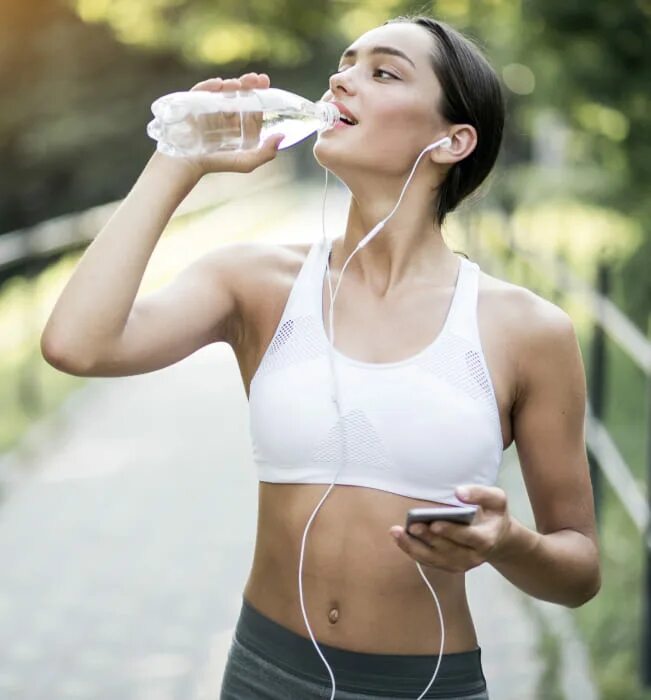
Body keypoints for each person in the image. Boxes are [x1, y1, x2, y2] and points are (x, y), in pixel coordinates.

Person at [40, 13, 601, 700]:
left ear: (452, 140)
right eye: (345, 62)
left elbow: (577, 572)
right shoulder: (255, 282)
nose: (341, 79)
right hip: (262, 676)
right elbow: (76, 344)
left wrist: (508, 542)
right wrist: (178, 160)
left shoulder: (527, 329)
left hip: (429, 687)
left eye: (382, 71)